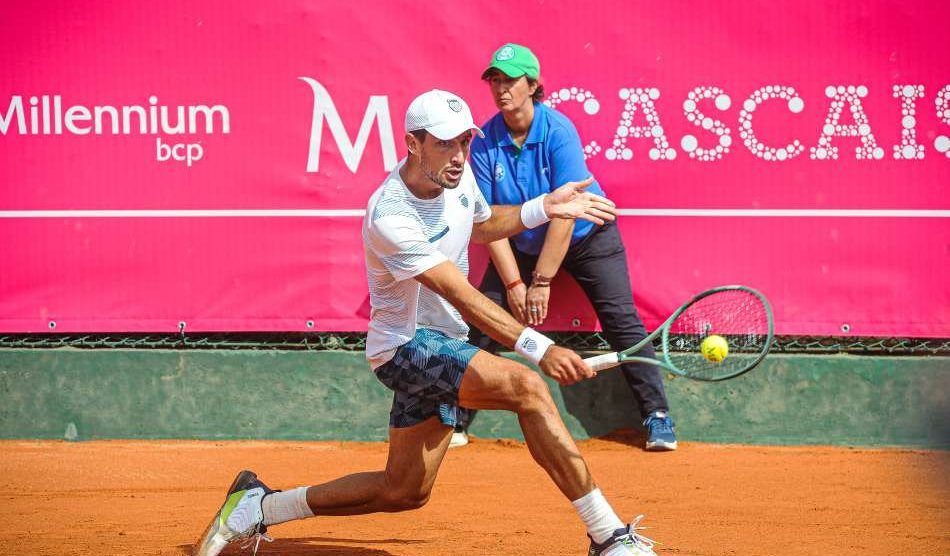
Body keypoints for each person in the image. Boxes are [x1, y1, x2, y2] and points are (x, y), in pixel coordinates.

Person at [194, 89, 659, 556]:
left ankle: (258, 506)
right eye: (444, 144)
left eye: (464, 143)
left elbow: (479, 223)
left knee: (404, 491)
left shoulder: (457, 176)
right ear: (412, 144)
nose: (458, 156)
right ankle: (609, 535)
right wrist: (540, 348)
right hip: (405, 346)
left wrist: (541, 208)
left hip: (445, 344)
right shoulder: (390, 214)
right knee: (528, 388)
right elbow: (460, 293)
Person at [461, 43, 677, 452]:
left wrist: (540, 282)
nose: (501, 89)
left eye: (510, 80)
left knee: (622, 321)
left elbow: (568, 211)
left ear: (533, 85)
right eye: (495, 80)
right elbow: (488, 222)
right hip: (520, 244)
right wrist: (512, 285)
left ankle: (657, 415)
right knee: (484, 318)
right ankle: (453, 416)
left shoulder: (558, 131)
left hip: (584, 238)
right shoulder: (485, 140)